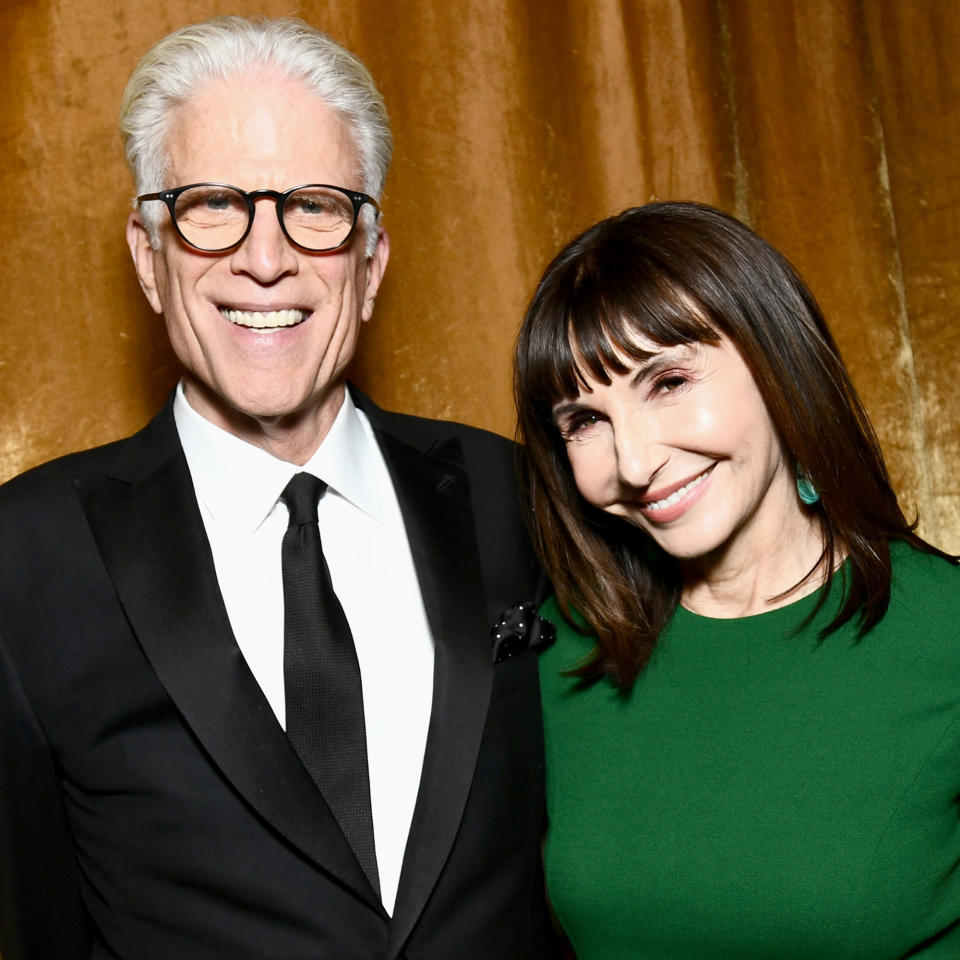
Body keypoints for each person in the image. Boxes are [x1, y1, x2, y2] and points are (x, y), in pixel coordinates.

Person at [0, 16, 555, 960]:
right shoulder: (23, 558)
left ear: (370, 263)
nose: (266, 258)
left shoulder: (521, 497)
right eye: (215, 204)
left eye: (315, 205)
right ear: (149, 256)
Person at [514, 200, 960, 959]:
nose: (633, 461)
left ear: (777, 359)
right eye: (584, 420)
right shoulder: (558, 654)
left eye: (668, 381)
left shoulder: (941, 631)